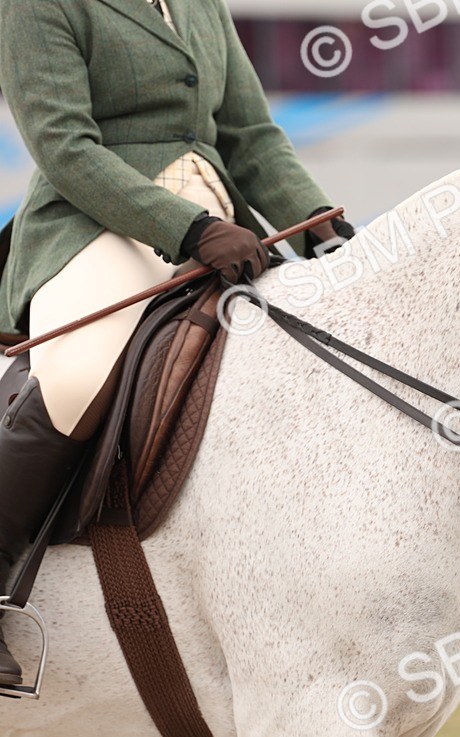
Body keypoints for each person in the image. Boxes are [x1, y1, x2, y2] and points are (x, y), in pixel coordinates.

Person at [0, 0, 355, 686]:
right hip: (97, 224)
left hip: (225, 225)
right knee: (75, 379)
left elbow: (250, 133)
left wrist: (322, 228)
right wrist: (187, 229)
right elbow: (64, 146)